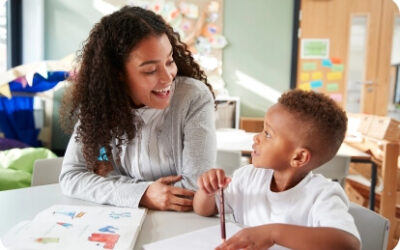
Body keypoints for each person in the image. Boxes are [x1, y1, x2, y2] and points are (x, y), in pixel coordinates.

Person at [59, 6, 216, 212]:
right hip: (118, 222)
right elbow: (72, 177)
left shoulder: (193, 97)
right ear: (118, 74)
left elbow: (194, 188)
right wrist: (144, 194)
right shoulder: (100, 104)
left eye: (169, 61)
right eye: (150, 70)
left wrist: (111, 186)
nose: (168, 76)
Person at [193, 89, 361, 250]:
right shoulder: (248, 177)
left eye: (268, 134)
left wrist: (272, 234)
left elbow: (348, 244)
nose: (256, 137)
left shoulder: (322, 195)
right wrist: (207, 191)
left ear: (298, 158)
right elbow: (204, 209)